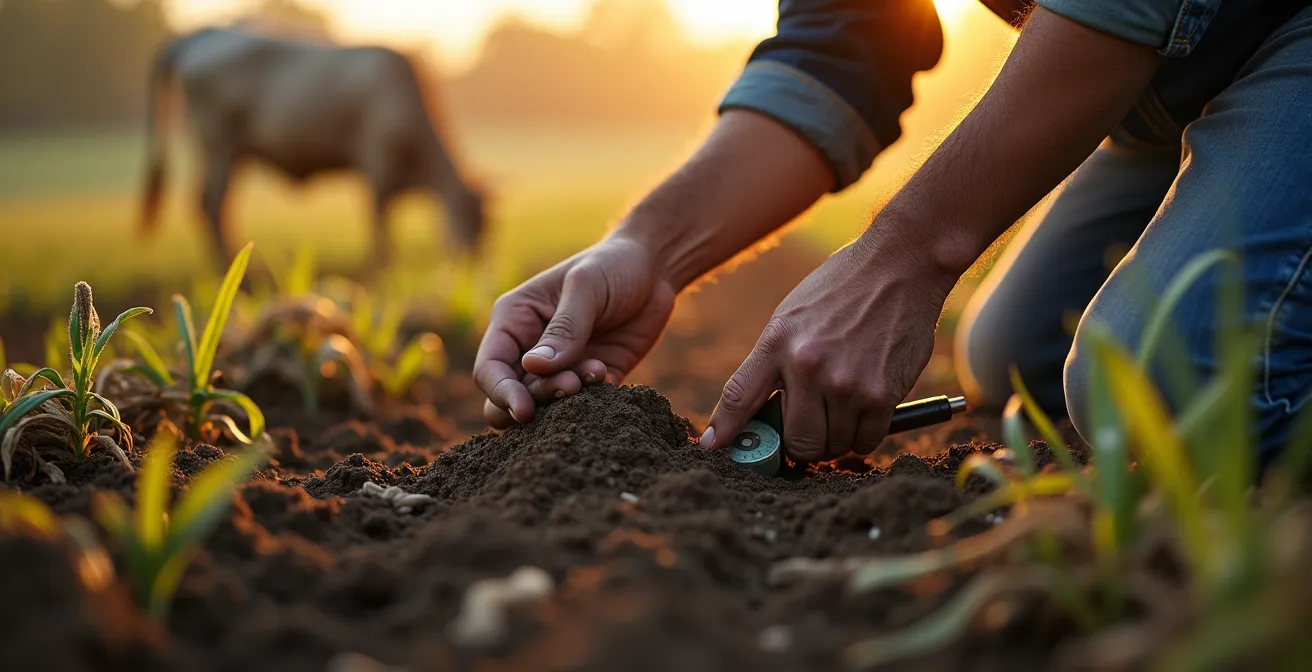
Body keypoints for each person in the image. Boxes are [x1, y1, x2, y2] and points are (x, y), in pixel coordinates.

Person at [474, 0, 1312, 469]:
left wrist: (906, 257)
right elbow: (846, 47)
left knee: (1171, 383)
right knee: (1013, 355)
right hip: (1182, 78)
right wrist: (647, 250)